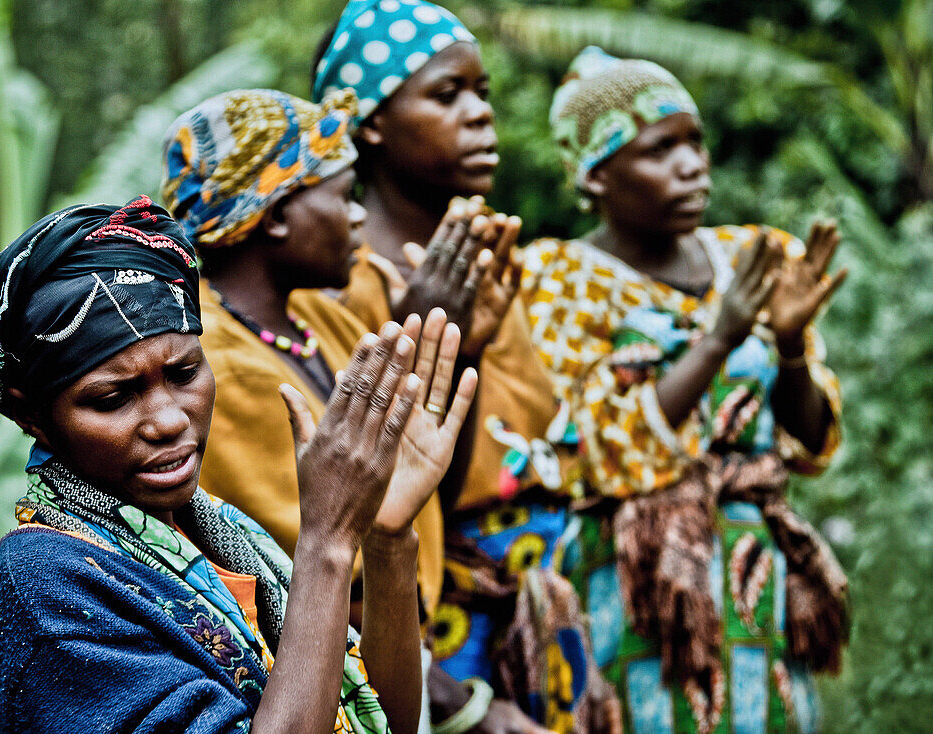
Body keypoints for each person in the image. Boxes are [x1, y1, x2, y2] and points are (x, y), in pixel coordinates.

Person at [0, 194, 476, 733]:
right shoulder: (42, 589)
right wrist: (327, 539)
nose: (169, 420)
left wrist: (387, 537)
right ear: (33, 418)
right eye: (112, 398)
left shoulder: (218, 532)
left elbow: (386, 720)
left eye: (184, 374)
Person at [521, 47, 850, 733]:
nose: (691, 162)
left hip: (755, 571)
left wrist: (789, 347)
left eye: (695, 141)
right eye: (659, 150)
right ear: (597, 175)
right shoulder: (558, 279)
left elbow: (810, 440)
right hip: (634, 582)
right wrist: (718, 338)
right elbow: (592, 449)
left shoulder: (757, 255)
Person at [302, 3, 602, 733]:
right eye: (446, 95)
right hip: (440, 635)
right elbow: (377, 497)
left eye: (483, 93)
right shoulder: (333, 284)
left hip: (540, 606)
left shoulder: (491, 258)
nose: (479, 116)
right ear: (370, 123)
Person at [159, 88, 498, 623]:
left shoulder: (321, 319)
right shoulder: (218, 361)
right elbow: (326, 575)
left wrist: (452, 343)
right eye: (345, 196)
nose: (360, 217)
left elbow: (419, 490)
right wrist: (456, 703)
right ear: (274, 218)